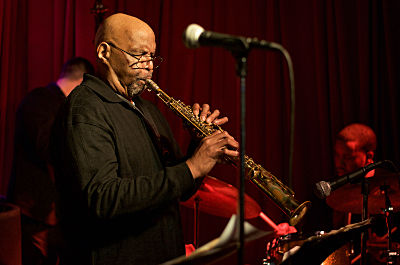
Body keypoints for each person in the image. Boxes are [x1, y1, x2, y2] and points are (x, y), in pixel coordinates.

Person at [50, 13, 239, 265]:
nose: (149, 65)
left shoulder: (147, 109)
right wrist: (191, 167)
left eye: (152, 56)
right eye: (140, 55)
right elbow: (103, 199)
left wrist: (200, 148)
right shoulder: (85, 108)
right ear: (104, 53)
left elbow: (178, 188)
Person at [7, 57, 94, 265]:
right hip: (38, 213)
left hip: (55, 215)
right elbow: (48, 147)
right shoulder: (40, 99)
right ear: (82, 84)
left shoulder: (56, 104)